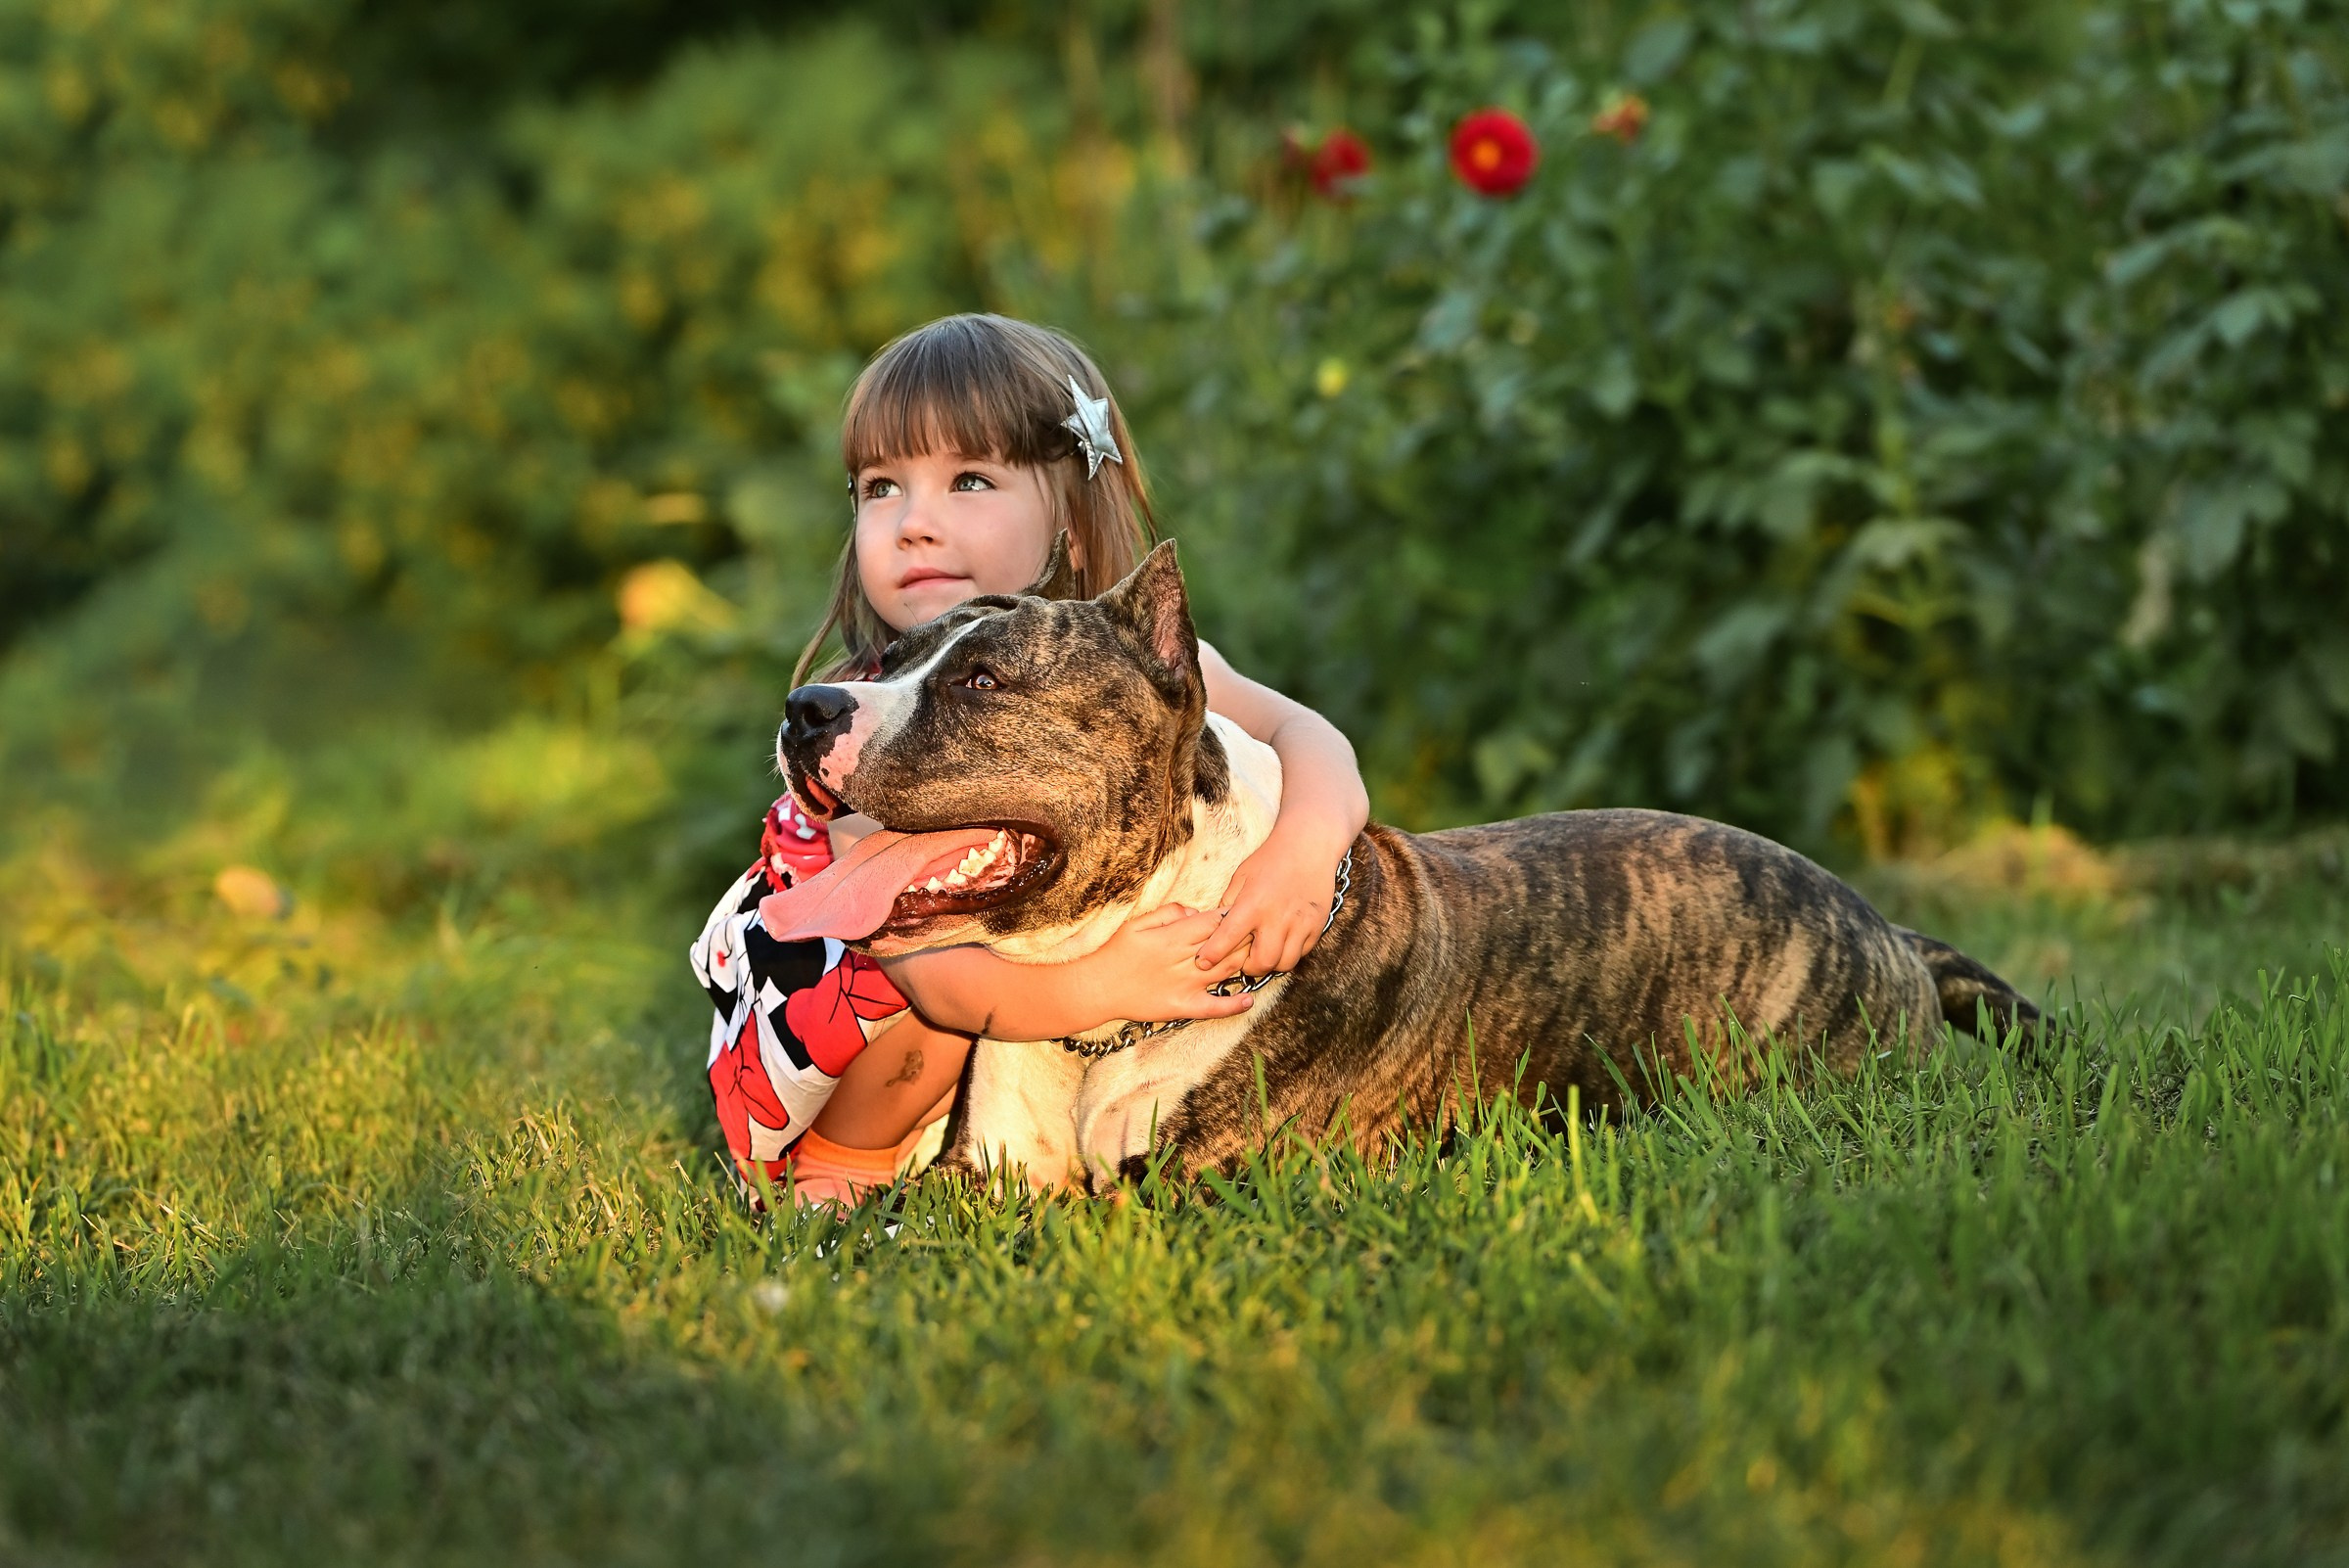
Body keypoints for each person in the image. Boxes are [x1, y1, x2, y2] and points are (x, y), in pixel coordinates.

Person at [690, 313, 1368, 1206]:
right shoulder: (877, 712)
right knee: (946, 932)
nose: (913, 525)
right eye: (880, 488)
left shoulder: (1125, 662)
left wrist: (1305, 852)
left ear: (1075, 523)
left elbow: (1306, 734)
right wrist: (1099, 985)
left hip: (1027, 1002)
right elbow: (933, 977)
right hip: (862, 998)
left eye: (968, 480)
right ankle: (845, 1159)